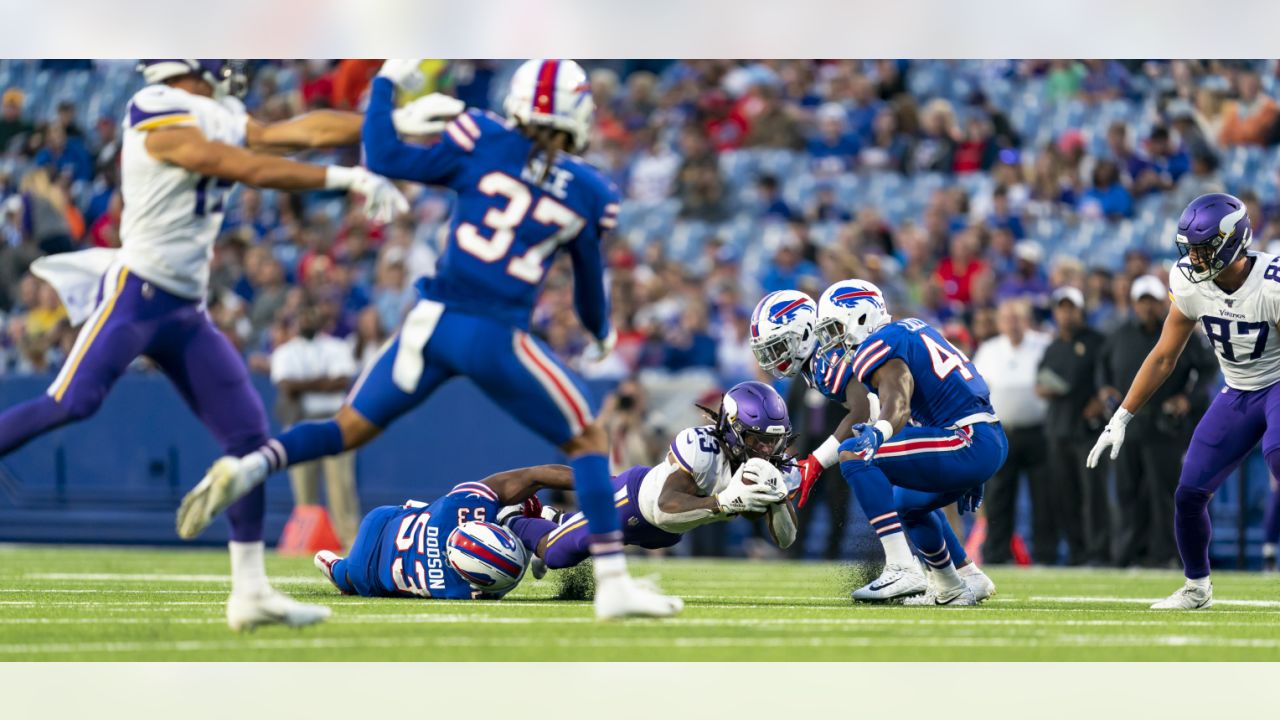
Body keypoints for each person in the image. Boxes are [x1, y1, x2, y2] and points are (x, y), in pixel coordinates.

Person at [177, 59, 682, 620]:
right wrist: (601, 332)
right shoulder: (591, 191)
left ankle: (253, 465)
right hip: (496, 334)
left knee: (344, 430)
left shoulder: (484, 137)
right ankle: (613, 584)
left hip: (431, 322)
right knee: (588, 440)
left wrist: (388, 83)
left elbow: (387, 156)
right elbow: (589, 290)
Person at [0, 59, 414, 631]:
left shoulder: (214, 111)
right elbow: (231, 163)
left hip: (185, 310)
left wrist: (390, 122)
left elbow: (297, 133)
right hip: (136, 296)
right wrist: (346, 179)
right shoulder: (154, 108)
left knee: (248, 441)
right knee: (72, 402)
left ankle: (249, 593)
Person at [1088, 192, 1280, 609]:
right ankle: (1197, 587)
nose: (1194, 257)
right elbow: (1163, 356)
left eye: (1204, 247)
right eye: (1189, 247)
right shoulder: (1187, 281)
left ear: (1233, 242)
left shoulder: (1271, 285)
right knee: (1189, 492)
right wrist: (1121, 416)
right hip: (1237, 391)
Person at [751, 286, 997, 604]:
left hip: (958, 434)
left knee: (853, 454)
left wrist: (816, 461)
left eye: (779, 346)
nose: (775, 359)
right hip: (960, 429)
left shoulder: (850, 351)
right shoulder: (886, 336)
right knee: (909, 501)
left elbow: (866, 410)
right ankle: (963, 577)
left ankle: (902, 566)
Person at [508, 382, 797, 574]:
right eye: (757, 439)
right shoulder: (703, 447)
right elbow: (664, 507)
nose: (765, 449)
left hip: (665, 533)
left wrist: (779, 499)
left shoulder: (773, 465)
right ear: (733, 429)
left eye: (773, 441)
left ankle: (554, 517)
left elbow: (785, 540)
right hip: (635, 503)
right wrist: (722, 503)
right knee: (557, 555)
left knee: (575, 532)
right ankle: (511, 518)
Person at [1097, 275, 1216, 568]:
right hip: (1129, 427)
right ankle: (1127, 555)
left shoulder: (1177, 331)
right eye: (1143, 301)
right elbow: (1101, 369)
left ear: (1162, 302)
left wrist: (1187, 399)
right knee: (1128, 492)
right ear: (1135, 304)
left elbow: (1208, 369)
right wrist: (1105, 391)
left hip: (1165, 427)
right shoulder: (1119, 335)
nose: (1148, 307)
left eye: (1152, 301)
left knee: (1164, 493)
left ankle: (1165, 555)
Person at [270, 305, 361, 547]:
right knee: (303, 492)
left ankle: (350, 542)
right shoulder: (285, 351)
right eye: (303, 316)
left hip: (335, 421)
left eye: (312, 315)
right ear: (296, 321)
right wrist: (323, 382)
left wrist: (303, 385)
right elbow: (286, 386)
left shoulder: (337, 346)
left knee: (341, 488)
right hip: (300, 422)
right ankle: (305, 540)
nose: (308, 320)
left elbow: (341, 381)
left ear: (322, 320)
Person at [972, 298, 1051, 564]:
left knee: (1044, 497)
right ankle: (996, 554)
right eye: (1007, 318)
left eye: (1017, 317)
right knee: (999, 496)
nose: (1012, 323)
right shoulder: (989, 349)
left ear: (1026, 319)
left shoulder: (1043, 344)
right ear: (1000, 323)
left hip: (1037, 431)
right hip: (1001, 432)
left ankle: (1045, 553)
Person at [1037, 286, 1109, 565]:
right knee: (1065, 495)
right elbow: (1041, 382)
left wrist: (1101, 399)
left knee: (1094, 495)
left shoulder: (1097, 341)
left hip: (1089, 429)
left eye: (1072, 308)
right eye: (1062, 308)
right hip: (1059, 429)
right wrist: (1048, 388)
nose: (1066, 314)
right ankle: (1078, 552)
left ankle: (1100, 552)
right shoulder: (1053, 347)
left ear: (1081, 311)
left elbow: (1108, 378)